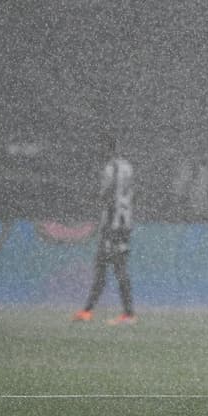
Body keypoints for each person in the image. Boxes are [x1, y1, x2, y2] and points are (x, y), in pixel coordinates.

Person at [73, 134, 136, 326]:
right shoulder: (127, 167)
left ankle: (124, 313)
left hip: (112, 224)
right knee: (115, 265)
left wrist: (90, 198)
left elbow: (107, 195)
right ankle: (91, 310)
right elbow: (131, 195)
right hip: (124, 222)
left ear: (106, 148)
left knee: (109, 265)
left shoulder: (111, 168)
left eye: (100, 147)